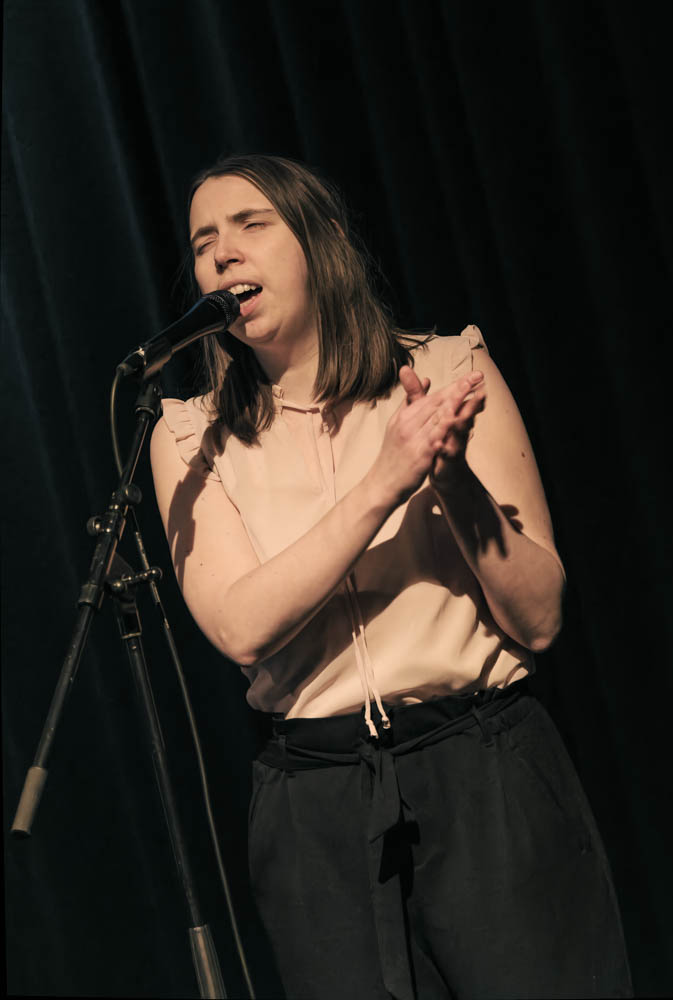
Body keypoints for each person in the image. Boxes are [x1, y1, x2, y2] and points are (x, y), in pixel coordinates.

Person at [150, 154, 632, 999]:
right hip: (315, 805)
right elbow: (238, 627)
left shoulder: (445, 370)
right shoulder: (189, 435)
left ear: (323, 240)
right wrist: (386, 481)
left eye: (251, 225)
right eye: (202, 243)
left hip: (482, 769)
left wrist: (450, 480)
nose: (222, 255)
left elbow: (542, 617)